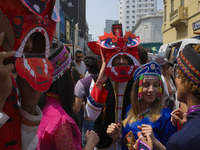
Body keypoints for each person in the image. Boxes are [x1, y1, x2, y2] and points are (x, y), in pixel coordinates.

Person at [85, 27, 142, 149]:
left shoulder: (137, 82)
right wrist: (99, 83)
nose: (122, 62)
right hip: (104, 143)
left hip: (129, 144)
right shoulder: (98, 82)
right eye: (117, 57)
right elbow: (90, 116)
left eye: (125, 57)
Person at [37, 40, 99, 150]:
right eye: (70, 71)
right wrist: (90, 143)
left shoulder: (40, 106)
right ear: (65, 76)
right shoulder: (60, 121)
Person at [107, 61, 178, 150]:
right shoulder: (130, 109)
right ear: (137, 88)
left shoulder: (166, 116)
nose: (151, 89)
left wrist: (154, 141)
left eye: (156, 85)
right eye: (146, 85)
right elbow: (131, 145)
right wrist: (118, 137)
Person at [73, 54, 100, 146]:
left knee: (87, 143)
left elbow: (76, 108)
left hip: (87, 119)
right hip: (103, 119)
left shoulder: (81, 83)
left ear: (87, 67)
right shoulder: (105, 81)